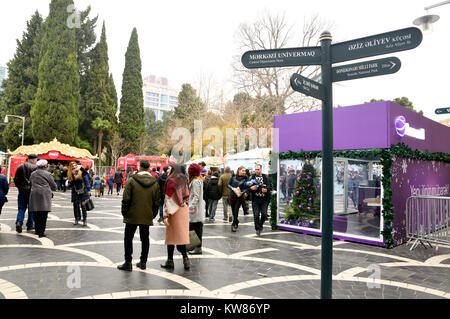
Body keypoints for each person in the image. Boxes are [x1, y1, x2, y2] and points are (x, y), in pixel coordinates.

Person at [117, 161, 160, 271]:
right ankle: (143, 262)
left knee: (128, 238)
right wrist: (152, 214)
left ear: (139, 168)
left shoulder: (131, 180)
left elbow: (125, 199)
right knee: (145, 238)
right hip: (147, 215)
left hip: (132, 214)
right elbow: (157, 202)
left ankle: (128, 262)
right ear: (149, 168)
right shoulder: (155, 183)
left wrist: (124, 212)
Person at [160, 164, 191, 270]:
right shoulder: (184, 180)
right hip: (183, 209)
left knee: (171, 238)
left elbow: (168, 199)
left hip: (173, 211)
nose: (167, 170)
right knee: (181, 237)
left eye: (169, 168)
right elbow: (187, 195)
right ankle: (185, 259)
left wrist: (165, 215)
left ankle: (170, 261)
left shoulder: (171, 181)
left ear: (174, 169)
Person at [29, 160, 57, 238]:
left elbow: (30, 182)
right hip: (45, 195)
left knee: (36, 212)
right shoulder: (48, 174)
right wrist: (54, 188)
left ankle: (37, 230)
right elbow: (53, 185)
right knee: (44, 214)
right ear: (45, 166)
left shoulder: (33, 174)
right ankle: (41, 232)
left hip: (34, 194)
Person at [14, 154, 38, 233]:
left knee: (21, 208)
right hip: (32, 191)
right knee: (31, 209)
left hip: (22, 191)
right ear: (33, 160)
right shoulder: (36, 168)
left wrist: (19, 187)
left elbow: (16, 179)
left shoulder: (20, 167)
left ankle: (19, 222)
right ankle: (30, 225)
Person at [248, 164, 272, 236]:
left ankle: (260, 225)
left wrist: (266, 190)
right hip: (255, 199)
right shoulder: (252, 177)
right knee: (256, 215)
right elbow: (247, 186)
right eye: (255, 169)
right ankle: (257, 229)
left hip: (264, 199)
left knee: (264, 214)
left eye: (258, 169)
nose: (256, 171)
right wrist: (251, 188)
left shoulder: (265, 177)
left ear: (261, 169)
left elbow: (270, 187)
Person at [187, 163, 204, 255]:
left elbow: (196, 197)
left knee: (196, 229)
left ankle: (197, 248)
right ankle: (196, 247)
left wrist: (190, 208)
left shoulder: (196, 181)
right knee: (196, 228)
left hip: (195, 210)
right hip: (196, 210)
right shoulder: (198, 180)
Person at [68, 162, 91, 226]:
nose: (74, 168)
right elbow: (70, 185)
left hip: (82, 190)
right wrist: (73, 178)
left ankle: (85, 219)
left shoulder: (80, 172)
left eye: (75, 166)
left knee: (83, 205)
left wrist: (80, 168)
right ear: (70, 168)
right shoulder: (70, 174)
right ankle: (76, 219)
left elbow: (86, 174)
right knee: (75, 205)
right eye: (73, 167)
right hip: (75, 191)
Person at [227, 166, 249, 232]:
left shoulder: (246, 178)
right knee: (233, 211)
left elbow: (247, 187)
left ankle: (234, 225)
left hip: (239, 197)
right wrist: (233, 188)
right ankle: (236, 221)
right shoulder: (233, 176)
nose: (244, 172)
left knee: (236, 211)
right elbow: (228, 184)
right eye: (242, 170)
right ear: (238, 170)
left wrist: (242, 192)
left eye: (244, 171)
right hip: (232, 196)